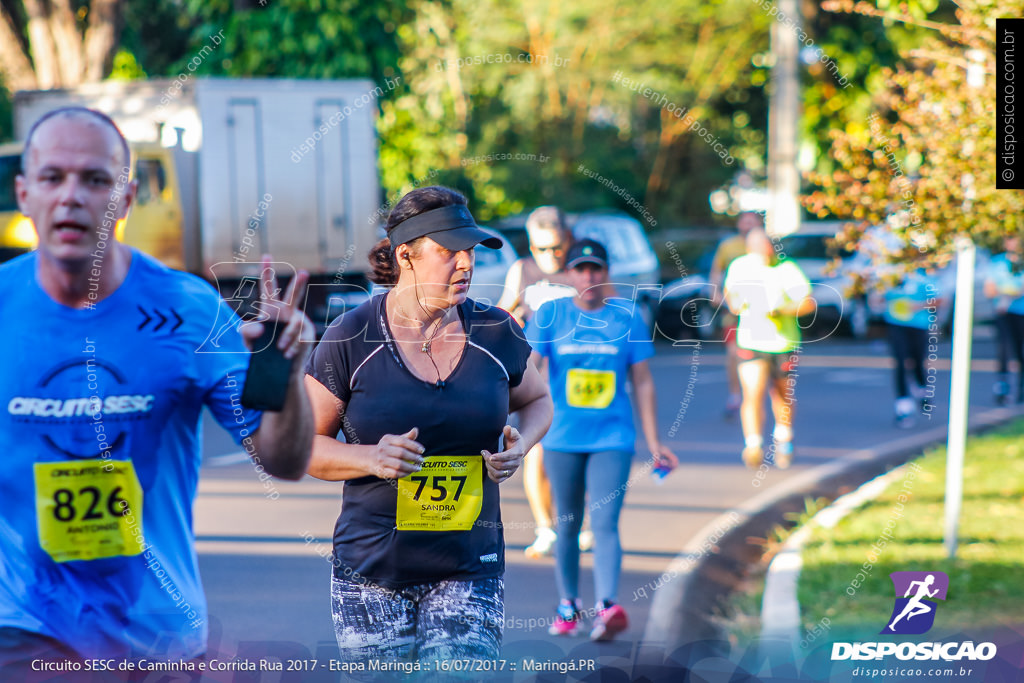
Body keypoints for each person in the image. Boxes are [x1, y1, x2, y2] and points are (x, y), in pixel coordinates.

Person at [0, 107, 314, 669]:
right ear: (24, 193)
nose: (71, 197)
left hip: (158, 637)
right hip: (22, 627)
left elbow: (283, 462)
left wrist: (286, 377)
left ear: (126, 197)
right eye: (53, 178)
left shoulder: (190, 311)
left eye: (95, 179)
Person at [303, 186, 552, 670]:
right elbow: (305, 446)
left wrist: (522, 442)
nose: (466, 264)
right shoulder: (350, 337)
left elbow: (538, 400)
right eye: (448, 252)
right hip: (371, 569)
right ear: (406, 255)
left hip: (468, 565)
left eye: (470, 252)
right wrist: (371, 457)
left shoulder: (496, 332)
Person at [525, 238, 678, 641]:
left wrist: (654, 441)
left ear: (607, 272)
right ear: (568, 274)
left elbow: (643, 382)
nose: (589, 276)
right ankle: (568, 605)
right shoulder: (550, 315)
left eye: (596, 268)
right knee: (568, 523)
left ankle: (607, 606)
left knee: (606, 522)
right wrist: (523, 429)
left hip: (613, 437)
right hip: (561, 437)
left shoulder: (628, 317)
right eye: (580, 269)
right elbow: (529, 375)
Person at [496, 207, 578, 558]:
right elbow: (502, 315)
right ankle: (546, 527)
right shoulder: (523, 270)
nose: (550, 255)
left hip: (577, 380)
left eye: (556, 247)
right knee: (538, 454)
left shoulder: (582, 269)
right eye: (541, 248)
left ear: (567, 240)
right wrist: (511, 318)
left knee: (577, 454)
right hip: (536, 380)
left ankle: (578, 524)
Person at [724, 227, 813, 469]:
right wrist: (737, 303)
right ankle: (753, 444)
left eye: (767, 248)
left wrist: (782, 309)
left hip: (783, 342)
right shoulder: (740, 267)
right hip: (751, 341)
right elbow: (730, 298)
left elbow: (807, 303)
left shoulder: (787, 269)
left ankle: (784, 438)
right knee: (753, 391)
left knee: (782, 394)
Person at [872, 266, 943, 427]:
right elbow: (878, 299)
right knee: (901, 363)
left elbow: (939, 300)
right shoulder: (890, 278)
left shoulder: (923, 277)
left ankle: (922, 391)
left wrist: (917, 306)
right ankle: (903, 408)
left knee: (917, 362)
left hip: (919, 325)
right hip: (896, 326)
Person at [709, 211, 761, 419]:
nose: (747, 225)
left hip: (761, 312)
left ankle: (756, 396)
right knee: (733, 353)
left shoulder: (766, 246)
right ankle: (735, 395)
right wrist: (715, 294)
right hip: (734, 310)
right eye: (744, 221)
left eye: (752, 221)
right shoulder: (728, 246)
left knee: (758, 357)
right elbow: (716, 273)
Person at [984, 235, 1024, 405]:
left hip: (1020, 312)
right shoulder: (997, 262)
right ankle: (1003, 387)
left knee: (1020, 350)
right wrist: (1007, 295)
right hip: (1003, 312)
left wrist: (1008, 295)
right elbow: (990, 289)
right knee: (1004, 349)